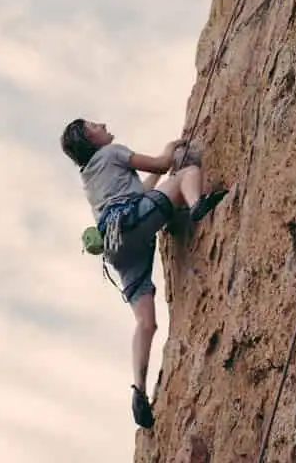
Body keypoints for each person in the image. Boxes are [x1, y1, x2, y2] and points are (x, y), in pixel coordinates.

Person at [60, 118, 228, 429]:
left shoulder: (90, 176)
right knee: (188, 173)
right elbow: (162, 164)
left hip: (117, 246)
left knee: (145, 322)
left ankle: (139, 388)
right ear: (89, 139)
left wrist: (161, 177)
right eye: (94, 125)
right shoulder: (112, 153)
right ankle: (197, 205)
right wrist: (170, 148)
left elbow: (142, 194)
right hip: (132, 224)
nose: (102, 124)